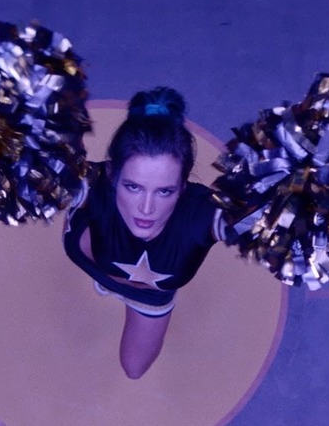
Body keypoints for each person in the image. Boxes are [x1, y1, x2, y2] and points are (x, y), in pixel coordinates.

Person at [63, 87, 225, 379]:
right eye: (133, 187)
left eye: (164, 191)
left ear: (183, 187)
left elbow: (278, 219)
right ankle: (105, 279)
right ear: (112, 174)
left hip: (148, 292)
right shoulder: (92, 182)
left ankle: (120, 288)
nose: (146, 209)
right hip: (92, 259)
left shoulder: (207, 213)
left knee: (134, 368)